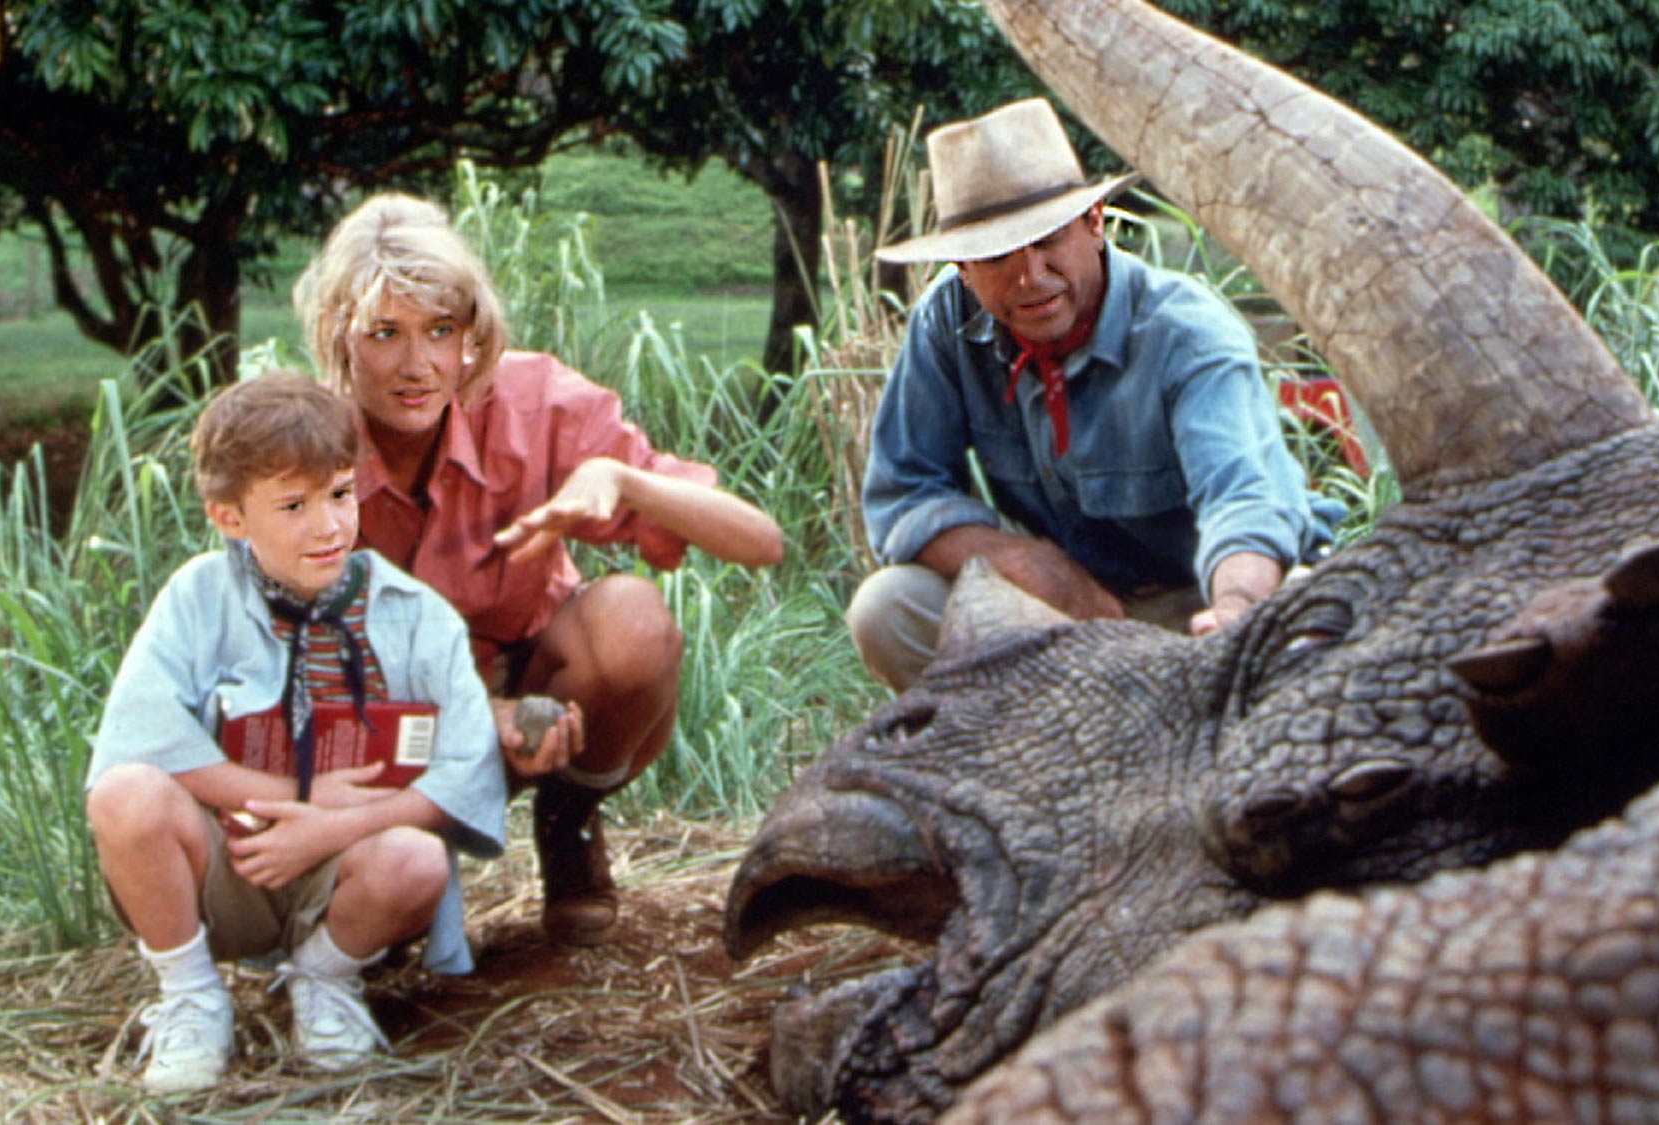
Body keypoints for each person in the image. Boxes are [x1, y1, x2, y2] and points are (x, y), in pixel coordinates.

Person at [292, 193, 784, 946]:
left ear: (472, 333)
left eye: (441, 330)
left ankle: (569, 815)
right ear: (339, 336)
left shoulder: (533, 400)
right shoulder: (300, 444)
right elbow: (286, 672)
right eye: (385, 334)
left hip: (540, 696)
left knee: (632, 622)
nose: (417, 365)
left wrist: (624, 482)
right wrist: (462, 721)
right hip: (383, 720)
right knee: (375, 936)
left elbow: (762, 542)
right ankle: (393, 871)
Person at [86, 373, 507, 1094]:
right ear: (230, 516)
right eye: (293, 504)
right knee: (124, 792)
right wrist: (294, 792)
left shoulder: (419, 613)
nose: (328, 525)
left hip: (343, 869)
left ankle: (323, 980)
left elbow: (467, 772)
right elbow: (141, 733)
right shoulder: (197, 595)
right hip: (228, 860)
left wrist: (330, 825)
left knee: (415, 856)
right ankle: (191, 996)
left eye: (340, 493)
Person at [849, 98, 1344, 691]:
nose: (1030, 276)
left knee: (1300, 628)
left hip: (1203, 599)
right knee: (890, 608)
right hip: (1067, 607)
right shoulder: (945, 324)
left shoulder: (1186, 332)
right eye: (997, 257)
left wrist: (1234, 608)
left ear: (1094, 222)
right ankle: (1020, 767)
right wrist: (1029, 565)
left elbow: (1244, 499)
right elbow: (902, 494)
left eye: (1048, 241)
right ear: (962, 268)